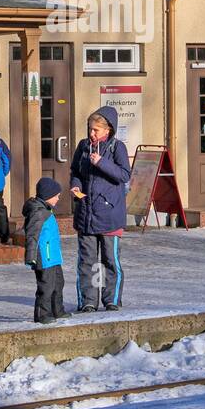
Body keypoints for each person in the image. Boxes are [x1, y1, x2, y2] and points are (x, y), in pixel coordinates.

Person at [69, 105, 130, 312]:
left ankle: (111, 299)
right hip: (86, 212)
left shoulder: (117, 147)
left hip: (109, 214)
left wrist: (102, 163)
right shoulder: (83, 146)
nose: (91, 133)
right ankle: (88, 301)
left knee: (110, 261)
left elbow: (124, 175)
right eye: (90, 129)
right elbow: (75, 171)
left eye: (96, 129)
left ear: (108, 130)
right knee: (87, 262)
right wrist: (75, 185)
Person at [23, 176, 67, 324]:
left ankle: (58, 310)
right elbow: (32, 235)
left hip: (53, 256)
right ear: (48, 196)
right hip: (44, 256)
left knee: (58, 283)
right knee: (46, 286)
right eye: (56, 196)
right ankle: (43, 314)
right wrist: (30, 256)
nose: (58, 199)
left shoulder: (47, 210)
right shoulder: (38, 212)